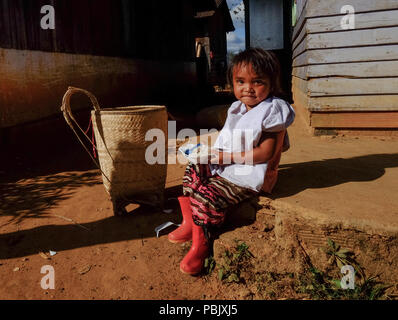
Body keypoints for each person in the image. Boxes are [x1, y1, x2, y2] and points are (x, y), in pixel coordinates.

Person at [168, 48, 296, 275]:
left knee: (206, 194)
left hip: (249, 173)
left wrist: (224, 157)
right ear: (232, 83)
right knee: (193, 170)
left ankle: (202, 241)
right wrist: (209, 153)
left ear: (272, 83)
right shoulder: (237, 108)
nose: (248, 88)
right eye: (240, 81)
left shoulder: (272, 110)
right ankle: (190, 222)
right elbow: (230, 139)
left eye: (257, 81)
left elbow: (265, 153)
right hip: (229, 162)